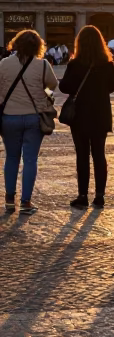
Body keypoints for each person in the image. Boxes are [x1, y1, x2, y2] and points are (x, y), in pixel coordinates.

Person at [59, 25, 114, 209]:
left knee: (82, 156)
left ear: (80, 43)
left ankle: (82, 195)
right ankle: (100, 196)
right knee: (99, 155)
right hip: (100, 114)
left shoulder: (75, 64)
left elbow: (64, 87)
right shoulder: (107, 64)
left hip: (80, 116)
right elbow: (112, 86)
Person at [0, 28, 58, 214]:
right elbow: (52, 85)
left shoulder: (4, 64)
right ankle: (26, 202)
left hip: (9, 117)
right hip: (34, 117)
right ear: (38, 46)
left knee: (11, 157)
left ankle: (9, 200)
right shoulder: (42, 65)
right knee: (30, 159)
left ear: (16, 44)